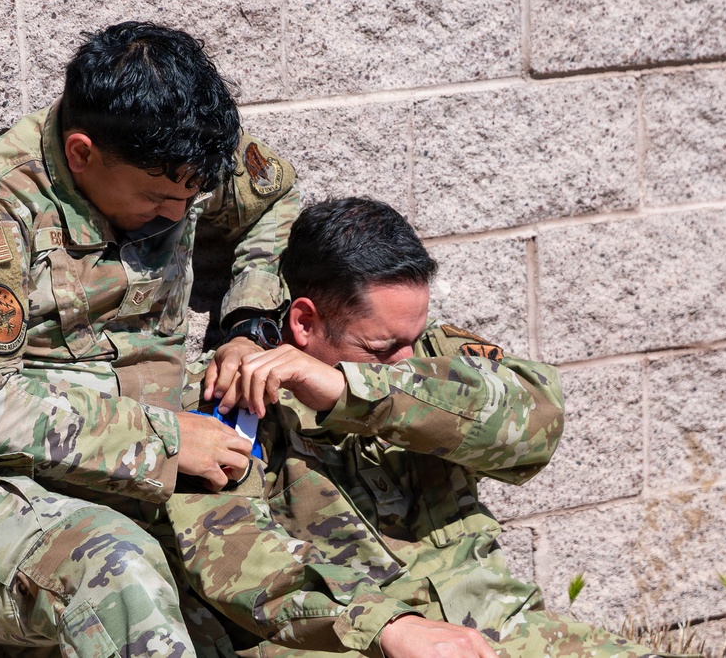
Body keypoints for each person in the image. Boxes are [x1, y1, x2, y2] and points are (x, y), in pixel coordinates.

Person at [0, 21, 301, 657]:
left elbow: (275, 201)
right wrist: (163, 441)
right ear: (81, 153)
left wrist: (250, 326)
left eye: (189, 200)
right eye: (159, 201)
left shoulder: (176, 156)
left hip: (160, 462)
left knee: (291, 562)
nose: (177, 215)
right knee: (119, 574)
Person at [164, 197, 668, 658]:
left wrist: (358, 393)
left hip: (502, 630)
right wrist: (389, 627)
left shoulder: (427, 356)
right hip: (356, 642)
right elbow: (235, 562)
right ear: (305, 322)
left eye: (416, 337)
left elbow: (538, 422)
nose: (405, 363)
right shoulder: (232, 397)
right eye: (382, 351)